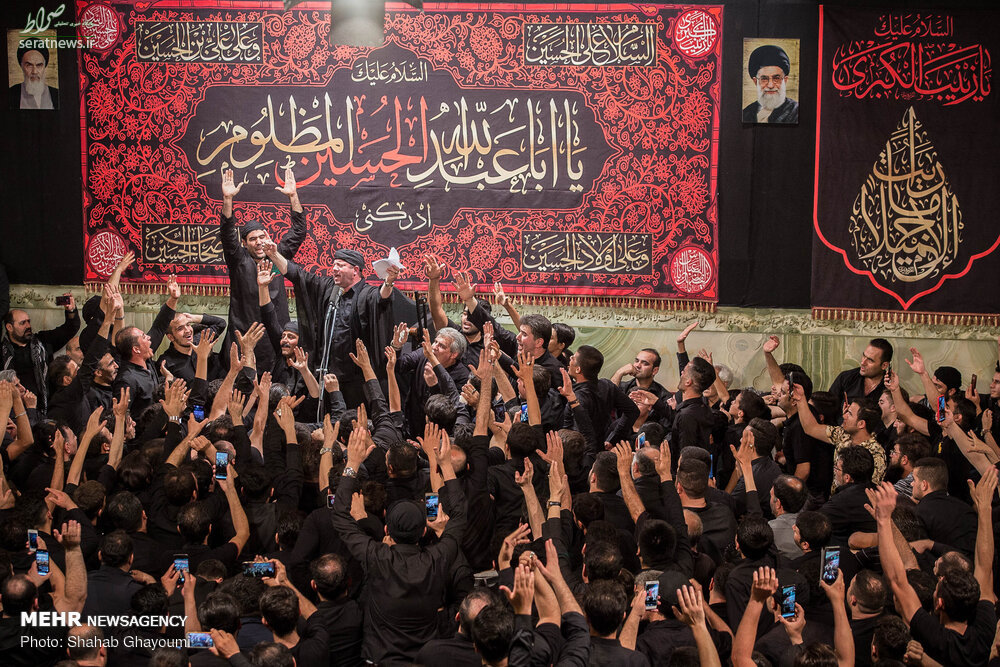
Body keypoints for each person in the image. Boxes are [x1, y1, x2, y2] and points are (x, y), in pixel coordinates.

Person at [266, 245, 397, 409]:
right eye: (334, 265)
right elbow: (298, 275)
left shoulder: (367, 293)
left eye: (340, 265)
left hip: (357, 378)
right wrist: (274, 254)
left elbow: (381, 297)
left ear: (355, 270)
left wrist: (389, 282)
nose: (334, 269)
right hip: (328, 375)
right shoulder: (329, 288)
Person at [219, 167, 306, 375]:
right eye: (252, 239)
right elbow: (227, 233)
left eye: (261, 237)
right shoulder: (238, 259)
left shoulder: (277, 255)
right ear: (244, 243)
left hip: (274, 338)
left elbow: (299, 231)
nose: (258, 242)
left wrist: (293, 196)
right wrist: (228, 199)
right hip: (244, 336)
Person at [2, 295, 80, 414]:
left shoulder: (43, 341)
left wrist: (71, 310)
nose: (28, 326)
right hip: (15, 412)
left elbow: (70, 329)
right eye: (23, 323)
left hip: (47, 408)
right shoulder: (2, 353)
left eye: (28, 321)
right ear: (9, 327)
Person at [742, 44, 797, 124]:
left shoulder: (796, 112)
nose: (770, 85)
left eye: (776, 78)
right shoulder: (746, 114)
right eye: (764, 79)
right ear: (755, 81)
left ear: (785, 80)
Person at [827, 338, 892, 403]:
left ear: (884, 365)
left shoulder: (891, 387)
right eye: (864, 356)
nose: (863, 362)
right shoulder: (845, 377)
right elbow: (827, 405)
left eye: (870, 360)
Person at [9, 44, 59, 109]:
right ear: (22, 66)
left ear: (44, 67)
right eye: (29, 65)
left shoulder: (57, 94)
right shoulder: (11, 94)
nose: (34, 71)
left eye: (39, 65)